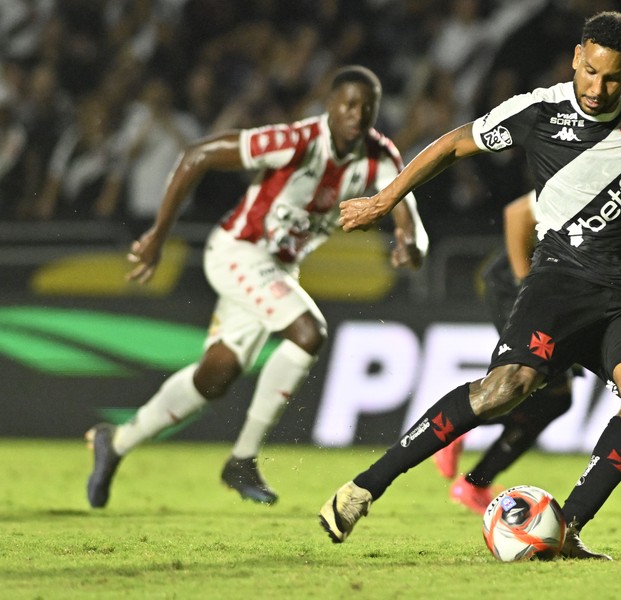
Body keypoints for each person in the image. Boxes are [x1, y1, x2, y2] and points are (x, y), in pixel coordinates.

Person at [322, 11, 621, 559]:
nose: (599, 88)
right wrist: (385, 199)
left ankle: (565, 531)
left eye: (614, 78)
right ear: (577, 59)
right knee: (503, 391)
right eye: (591, 73)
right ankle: (365, 485)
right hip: (558, 280)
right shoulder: (538, 109)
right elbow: (455, 144)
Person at [85, 65, 427, 508]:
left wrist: (410, 247)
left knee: (216, 376)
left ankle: (115, 442)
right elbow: (198, 154)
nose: (357, 115)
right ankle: (242, 459)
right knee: (309, 332)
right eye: (348, 104)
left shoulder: (380, 157)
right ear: (329, 104)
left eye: (367, 107)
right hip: (239, 251)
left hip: (278, 270)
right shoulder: (296, 142)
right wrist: (158, 235)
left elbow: (410, 221)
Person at [434, 175, 621, 515]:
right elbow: (517, 214)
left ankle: (473, 478)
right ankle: (466, 438)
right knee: (544, 388)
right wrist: (527, 287)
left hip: (571, 294)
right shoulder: (603, 167)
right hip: (521, 284)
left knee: (555, 400)